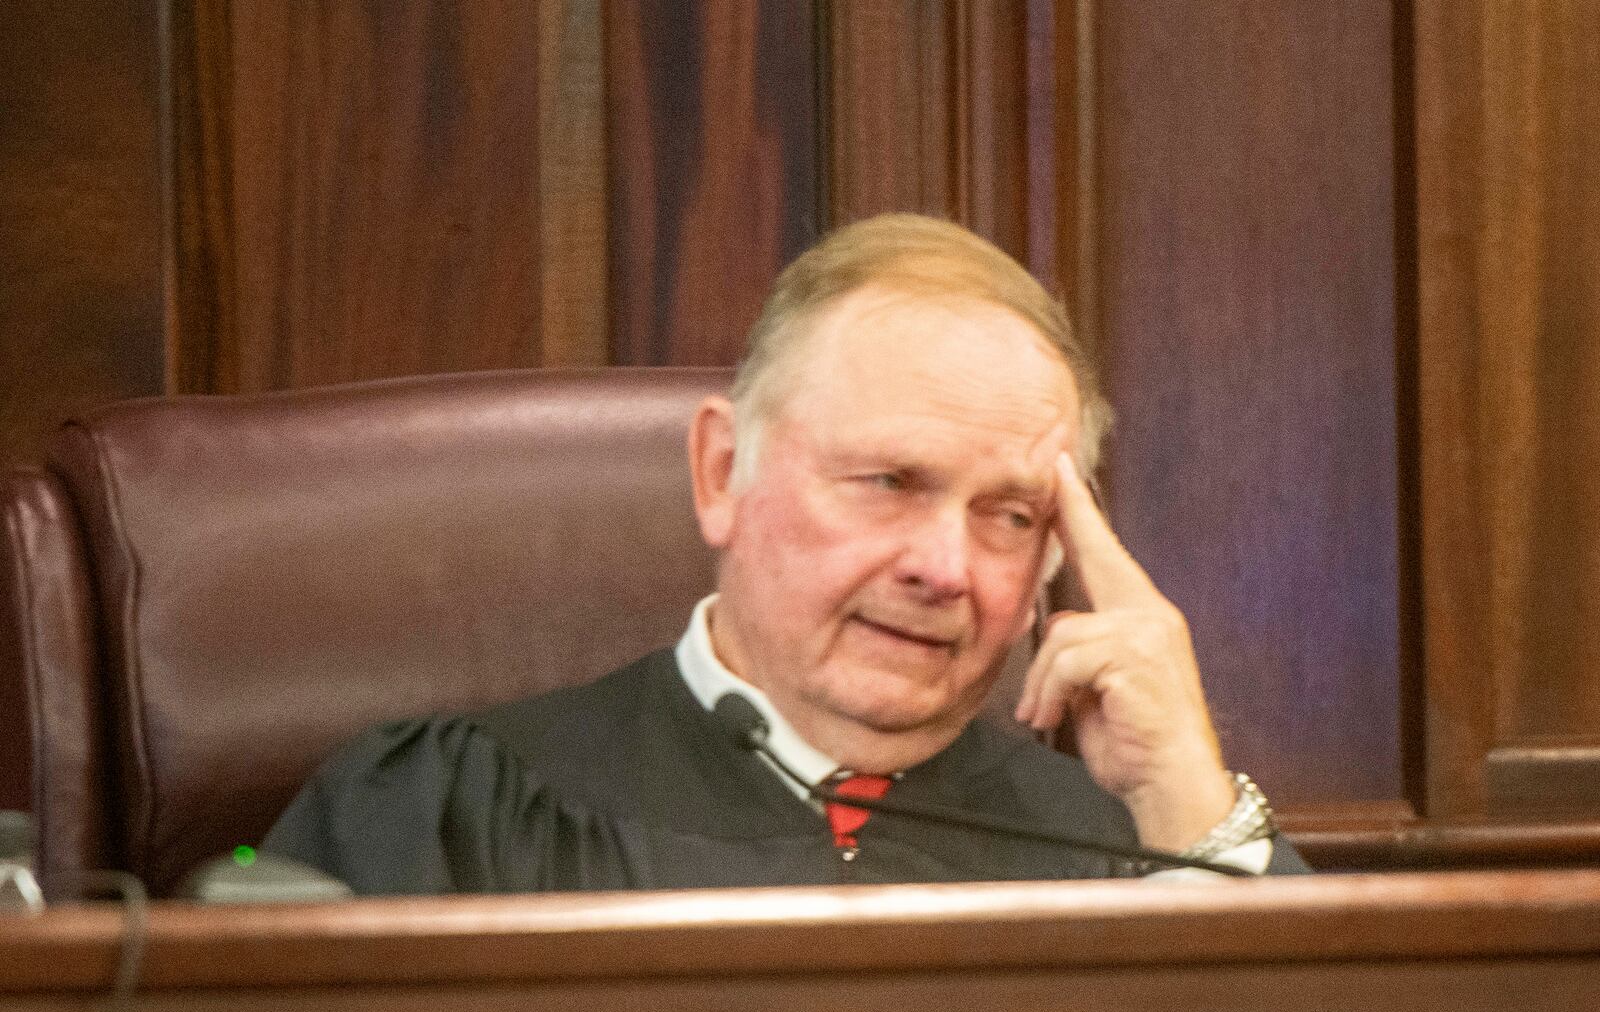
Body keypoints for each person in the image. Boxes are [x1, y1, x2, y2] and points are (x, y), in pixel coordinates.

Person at [264, 214, 1308, 892]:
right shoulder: (443, 811)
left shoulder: (1122, 851)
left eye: (1009, 514)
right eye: (891, 482)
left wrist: (1189, 809)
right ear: (722, 472)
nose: (943, 566)